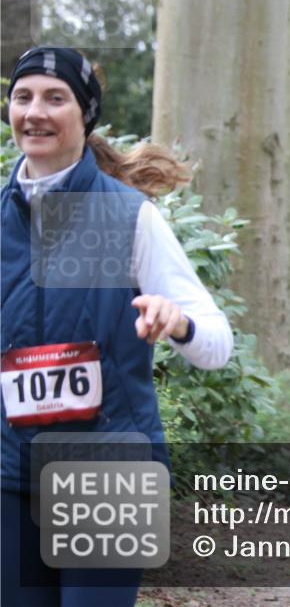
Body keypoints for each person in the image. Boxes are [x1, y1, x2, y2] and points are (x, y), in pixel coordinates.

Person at [1, 47, 233, 606]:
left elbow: (217, 342)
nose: (36, 111)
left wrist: (178, 323)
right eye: (23, 96)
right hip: (10, 475)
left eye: (56, 98)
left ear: (85, 116)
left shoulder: (129, 217)